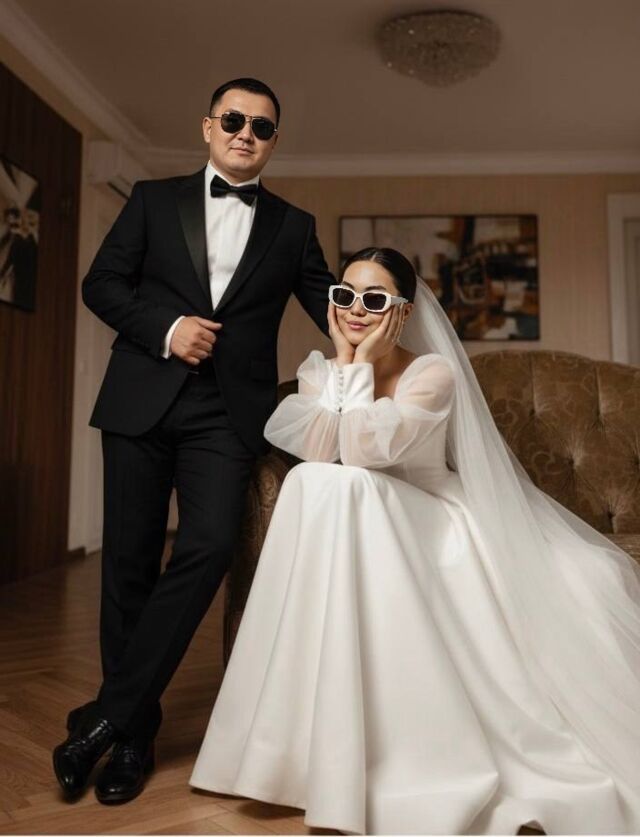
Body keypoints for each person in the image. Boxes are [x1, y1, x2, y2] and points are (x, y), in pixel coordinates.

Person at [190, 247, 640, 835]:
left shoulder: (432, 374)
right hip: (358, 512)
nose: (356, 309)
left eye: (375, 299)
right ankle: (294, 750)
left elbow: (365, 454)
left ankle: (396, 756)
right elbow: (320, 452)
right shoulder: (320, 372)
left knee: (347, 485)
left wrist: (362, 363)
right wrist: (345, 362)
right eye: (345, 295)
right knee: (314, 481)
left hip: (430, 514)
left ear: (403, 311)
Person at [52, 77, 333, 805]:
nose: (245, 133)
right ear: (208, 127)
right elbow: (101, 283)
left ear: (274, 142)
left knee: (207, 546)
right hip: (141, 397)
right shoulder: (151, 200)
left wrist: (387, 309)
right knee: (128, 564)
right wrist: (168, 328)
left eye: (261, 126)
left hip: (227, 415)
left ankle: (103, 716)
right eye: (233, 119)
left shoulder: (294, 227)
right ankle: (133, 737)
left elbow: (335, 310)